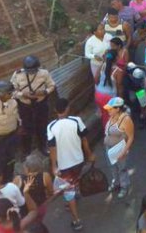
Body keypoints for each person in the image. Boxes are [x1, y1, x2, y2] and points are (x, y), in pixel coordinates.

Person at [47, 98, 95, 231]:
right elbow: (84, 139)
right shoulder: (76, 121)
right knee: (75, 179)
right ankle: (76, 192)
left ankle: (76, 220)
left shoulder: (51, 127)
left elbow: (52, 148)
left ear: (56, 110)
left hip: (63, 166)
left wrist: (53, 166)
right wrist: (90, 154)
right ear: (67, 108)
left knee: (68, 192)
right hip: (79, 160)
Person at [10, 56, 55, 155]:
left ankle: (43, 146)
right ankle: (26, 151)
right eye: (28, 71)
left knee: (42, 126)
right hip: (25, 106)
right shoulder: (17, 75)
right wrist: (23, 94)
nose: (31, 73)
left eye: (33, 70)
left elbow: (52, 85)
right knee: (26, 128)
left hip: (40, 104)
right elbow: (12, 91)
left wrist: (44, 92)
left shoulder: (44, 73)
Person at [103, 97, 134, 199]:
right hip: (110, 149)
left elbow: (130, 137)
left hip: (119, 149)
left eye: (110, 109)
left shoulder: (126, 119)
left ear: (117, 109)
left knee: (122, 169)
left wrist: (124, 152)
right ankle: (116, 183)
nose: (108, 110)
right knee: (113, 167)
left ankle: (124, 186)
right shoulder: (112, 116)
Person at [0, 81, 19, 184]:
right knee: (1, 161)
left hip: (11, 136)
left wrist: (20, 124)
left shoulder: (13, 102)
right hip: (0, 139)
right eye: (9, 93)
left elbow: (16, 116)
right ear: (1, 94)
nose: (11, 95)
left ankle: (9, 179)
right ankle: (1, 183)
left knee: (11, 159)